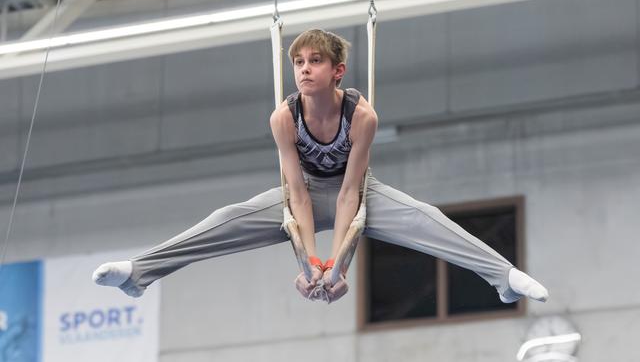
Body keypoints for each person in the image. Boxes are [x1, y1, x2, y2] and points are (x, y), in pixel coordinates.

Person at [93, 29, 549, 304]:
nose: (304, 70)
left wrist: (340, 269)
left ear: (338, 71)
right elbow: (294, 195)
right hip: (304, 195)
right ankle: (140, 274)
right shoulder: (282, 118)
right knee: (224, 220)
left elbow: (352, 193)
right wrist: (311, 263)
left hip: (357, 192)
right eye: (298, 62)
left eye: (315, 61)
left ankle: (501, 278)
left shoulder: (362, 117)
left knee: (425, 219)